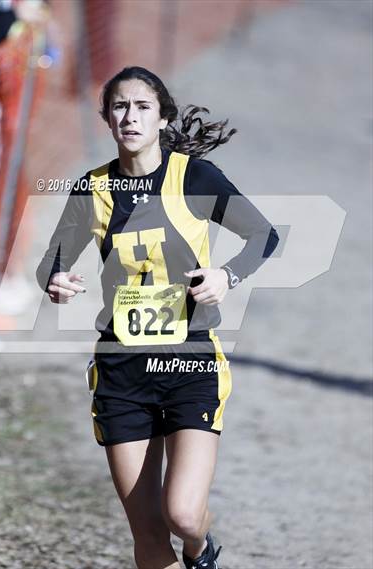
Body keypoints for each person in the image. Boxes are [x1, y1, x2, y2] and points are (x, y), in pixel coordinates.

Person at [36, 66, 279, 569]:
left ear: (162, 117)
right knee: (148, 536)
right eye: (119, 107)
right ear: (107, 119)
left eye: (142, 106)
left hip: (189, 366)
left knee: (183, 516)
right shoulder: (93, 187)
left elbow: (263, 235)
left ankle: (200, 548)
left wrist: (227, 276)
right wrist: (54, 280)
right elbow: (51, 262)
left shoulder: (193, 176)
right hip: (122, 371)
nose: (130, 116)